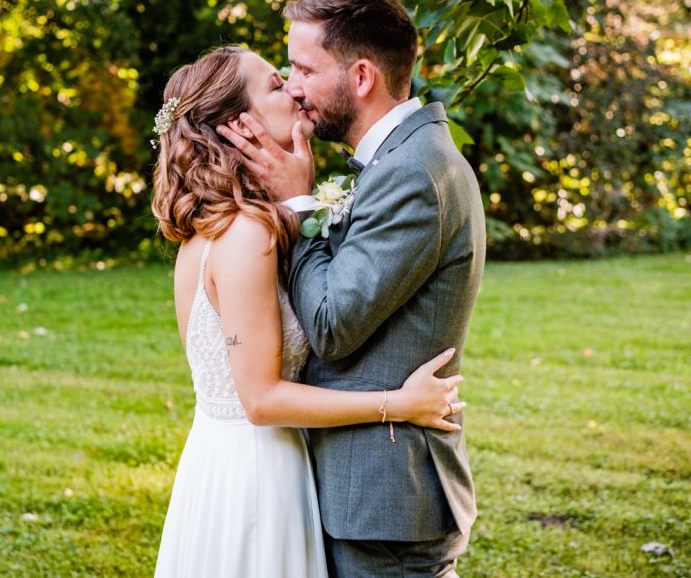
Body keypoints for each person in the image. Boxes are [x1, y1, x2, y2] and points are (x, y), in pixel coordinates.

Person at [150, 45, 467, 577]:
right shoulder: (246, 235)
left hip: (222, 463)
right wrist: (398, 404)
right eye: (276, 84)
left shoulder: (209, 231)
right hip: (258, 475)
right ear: (239, 126)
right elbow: (260, 399)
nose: (295, 90)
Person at [217, 0, 486, 577]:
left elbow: (333, 324)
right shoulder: (400, 161)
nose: (292, 86)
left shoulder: (413, 172)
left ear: (361, 76)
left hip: (385, 497)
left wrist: (297, 201)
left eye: (305, 68)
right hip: (369, 494)